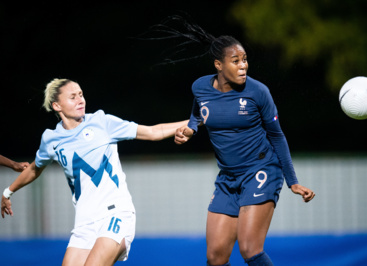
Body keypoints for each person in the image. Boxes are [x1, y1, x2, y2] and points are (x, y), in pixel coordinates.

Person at [168, 17, 316, 265]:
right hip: (228, 178)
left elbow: (277, 136)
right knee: (215, 256)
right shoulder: (200, 87)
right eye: (235, 61)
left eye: (245, 59)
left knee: (250, 249)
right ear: (218, 64)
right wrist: (191, 130)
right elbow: (198, 114)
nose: (243, 66)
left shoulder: (258, 92)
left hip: (261, 171)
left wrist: (293, 182)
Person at [1, 78, 188, 266]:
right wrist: (8, 192)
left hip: (116, 213)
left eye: (81, 95)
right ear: (56, 105)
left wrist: (196, 121)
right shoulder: (51, 139)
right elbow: (34, 169)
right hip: (84, 222)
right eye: (73, 97)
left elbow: (153, 132)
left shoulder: (102, 122)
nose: (80, 100)